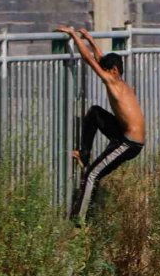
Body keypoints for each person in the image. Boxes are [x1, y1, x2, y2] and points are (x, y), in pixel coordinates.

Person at [56, 26, 146, 222]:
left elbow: (89, 60)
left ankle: (79, 220)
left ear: (113, 71)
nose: (103, 73)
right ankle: (84, 153)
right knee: (95, 113)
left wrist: (73, 35)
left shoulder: (113, 83)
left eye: (106, 70)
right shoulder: (122, 83)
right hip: (124, 133)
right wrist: (89, 37)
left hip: (128, 144)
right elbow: (99, 58)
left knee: (91, 175)